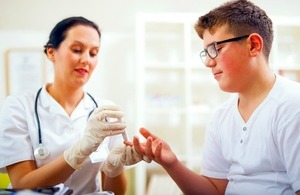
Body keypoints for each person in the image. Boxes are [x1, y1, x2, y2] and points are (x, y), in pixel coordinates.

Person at [130, 0, 300, 194]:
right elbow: (215, 190)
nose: (208, 63)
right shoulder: (221, 116)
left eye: (216, 49)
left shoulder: (293, 105)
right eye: (206, 52)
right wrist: (172, 163)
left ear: (253, 45)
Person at [0, 16, 143, 195]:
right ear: (51, 52)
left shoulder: (106, 111)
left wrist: (115, 169)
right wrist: (78, 151)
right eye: (77, 50)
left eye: (93, 53)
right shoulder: (18, 107)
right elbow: (22, 183)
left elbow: (115, 192)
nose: (86, 60)